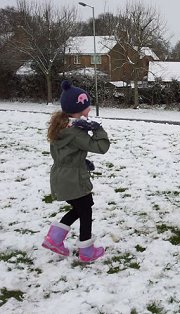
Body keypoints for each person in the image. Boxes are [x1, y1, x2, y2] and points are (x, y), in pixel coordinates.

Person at [42, 80, 110, 262]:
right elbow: (101, 147)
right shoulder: (75, 132)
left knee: (83, 207)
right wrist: (98, 129)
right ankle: (86, 251)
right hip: (73, 179)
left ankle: (55, 238)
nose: (90, 109)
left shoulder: (62, 126)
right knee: (85, 209)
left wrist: (80, 161)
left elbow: (64, 152)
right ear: (79, 109)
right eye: (87, 106)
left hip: (62, 176)